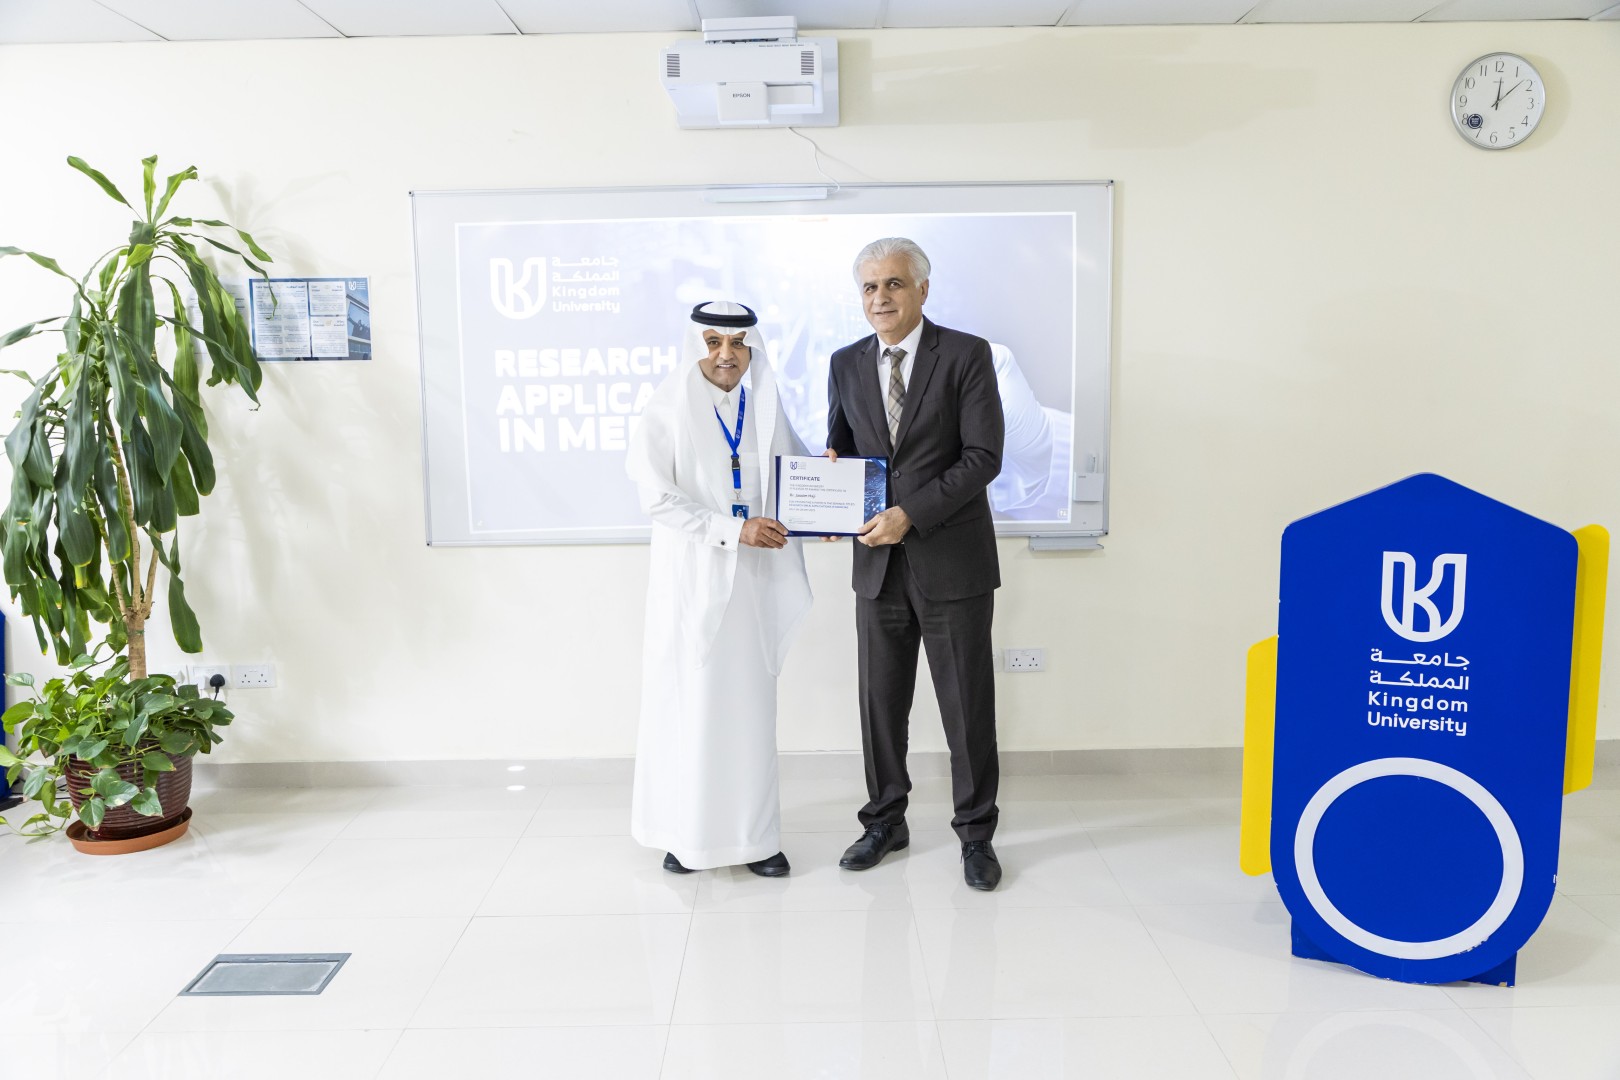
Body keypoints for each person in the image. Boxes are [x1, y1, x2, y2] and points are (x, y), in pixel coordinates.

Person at [826, 238, 1006, 891]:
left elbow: (983, 457)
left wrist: (910, 514)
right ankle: (884, 822)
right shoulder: (845, 362)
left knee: (966, 706)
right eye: (870, 287)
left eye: (894, 284)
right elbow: (844, 450)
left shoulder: (965, 355)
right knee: (880, 704)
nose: (881, 298)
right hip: (877, 567)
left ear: (922, 290)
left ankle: (976, 834)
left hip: (952, 561)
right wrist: (830, 497)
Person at [626, 300, 812, 877]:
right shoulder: (666, 407)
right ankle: (685, 837)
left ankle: (756, 840)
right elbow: (658, 500)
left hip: (753, 585)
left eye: (737, 344)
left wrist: (830, 502)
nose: (726, 355)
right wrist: (735, 530)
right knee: (691, 707)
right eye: (713, 343)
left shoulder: (765, 406)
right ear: (696, 347)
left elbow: (797, 473)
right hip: (693, 581)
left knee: (749, 711)